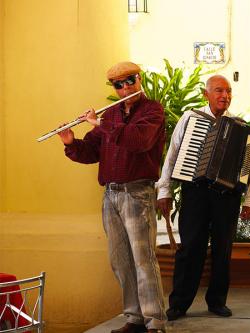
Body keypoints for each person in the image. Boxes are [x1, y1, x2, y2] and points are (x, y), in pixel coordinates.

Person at [58, 61, 167, 333]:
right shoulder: (111, 116)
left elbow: (139, 140)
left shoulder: (152, 111)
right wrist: (71, 142)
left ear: (139, 79)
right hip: (111, 195)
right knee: (120, 260)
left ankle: (155, 323)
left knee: (143, 259)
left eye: (130, 81)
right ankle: (134, 319)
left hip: (137, 193)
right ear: (114, 88)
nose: (125, 87)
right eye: (119, 84)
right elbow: (91, 152)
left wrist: (101, 124)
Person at [156, 75, 250, 321]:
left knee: (223, 249)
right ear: (207, 94)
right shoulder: (191, 118)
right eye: (219, 91)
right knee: (190, 248)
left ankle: (217, 301)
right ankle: (179, 304)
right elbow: (172, 155)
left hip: (227, 197)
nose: (225, 96)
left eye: (228, 91)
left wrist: (249, 200)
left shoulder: (240, 126)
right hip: (195, 193)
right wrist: (164, 190)